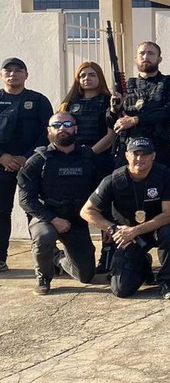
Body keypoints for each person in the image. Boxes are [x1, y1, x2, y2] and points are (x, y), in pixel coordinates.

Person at [80, 137, 170, 299]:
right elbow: (86, 211)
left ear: (153, 156)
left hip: (157, 229)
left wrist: (135, 230)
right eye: (135, 154)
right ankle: (143, 263)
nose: (139, 159)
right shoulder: (113, 180)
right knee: (121, 290)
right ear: (127, 156)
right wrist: (112, 228)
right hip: (128, 237)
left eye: (145, 154)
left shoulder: (167, 176)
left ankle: (168, 281)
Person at [17, 111, 101, 294]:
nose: (62, 129)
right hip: (46, 218)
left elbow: (101, 192)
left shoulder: (89, 157)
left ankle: (56, 257)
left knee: (86, 276)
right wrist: (53, 219)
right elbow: (25, 199)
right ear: (49, 131)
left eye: (67, 124)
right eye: (56, 125)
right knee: (44, 237)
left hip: (76, 221)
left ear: (76, 129)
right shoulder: (37, 160)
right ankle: (43, 277)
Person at [61, 61, 117, 273]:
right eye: (82, 75)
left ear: (99, 77)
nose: (87, 78)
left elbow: (112, 135)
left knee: (103, 209)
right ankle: (77, 253)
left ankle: (107, 255)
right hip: (74, 162)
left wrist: (90, 153)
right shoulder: (69, 104)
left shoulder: (108, 102)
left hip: (100, 160)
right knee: (77, 207)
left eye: (91, 74)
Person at [0, 57, 54, 272]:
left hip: (32, 165)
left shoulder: (39, 100)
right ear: (2, 75)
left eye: (18, 70)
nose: (13, 74)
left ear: (26, 74)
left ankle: (43, 261)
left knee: (35, 211)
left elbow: (48, 133)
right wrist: (2, 156)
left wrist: (28, 157)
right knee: (1, 212)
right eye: (8, 70)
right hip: (2, 165)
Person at [112, 41, 170, 170]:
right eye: (142, 53)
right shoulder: (127, 86)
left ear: (159, 59)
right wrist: (114, 108)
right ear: (136, 58)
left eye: (151, 53)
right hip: (129, 151)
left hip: (158, 150)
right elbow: (112, 121)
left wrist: (136, 120)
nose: (145, 57)